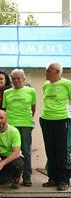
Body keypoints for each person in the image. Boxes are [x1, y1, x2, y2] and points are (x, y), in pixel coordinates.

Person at [2, 69, 37, 187]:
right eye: (13, 79)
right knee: (10, 150)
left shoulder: (31, 91)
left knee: (26, 151)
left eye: (18, 78)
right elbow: (4, 110)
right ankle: (11, 176)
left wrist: (29, 121)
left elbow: (33, 108)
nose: (16, 80)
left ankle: (27, 176)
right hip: (11, 125)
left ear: (24, 79)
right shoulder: (7, 92)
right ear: (11, 80)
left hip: (26, 124)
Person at [40, 62, 70, 191]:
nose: (46, 72)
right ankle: (52, 178)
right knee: (50, 150)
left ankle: (63, 180)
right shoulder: (45, 85)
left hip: (62, 119)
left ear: (57, 72)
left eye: (48, 70)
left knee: (61, 151)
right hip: (46, 120)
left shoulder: (67, 84)